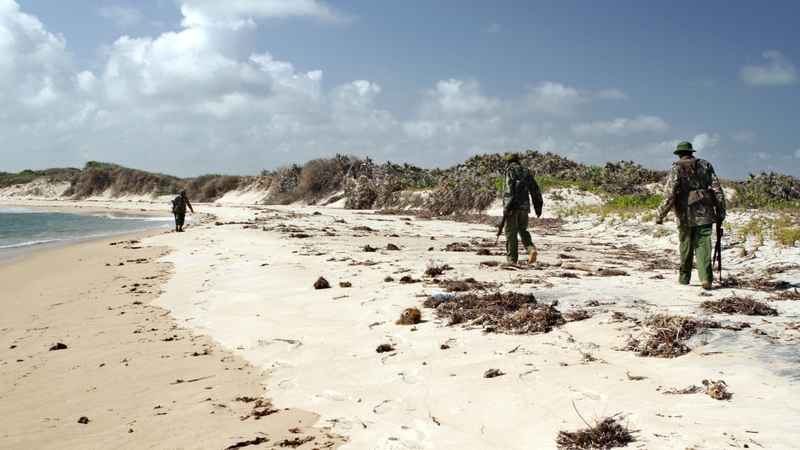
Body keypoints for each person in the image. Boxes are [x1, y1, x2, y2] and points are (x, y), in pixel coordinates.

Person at [655, 141, 726, 290]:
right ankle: (706, 278)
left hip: (685, 213)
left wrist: (661, 214)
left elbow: (670, 193)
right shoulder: (706, 165)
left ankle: (684, 278)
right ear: (691, 152)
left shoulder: (677, 167)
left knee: (686, 246)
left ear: (680, 154)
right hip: (705, 212)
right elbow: (717, 189)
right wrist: (720, 211)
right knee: (704, 246)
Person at [502, 152, 543, 264]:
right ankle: (531, 250)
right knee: (523, 231)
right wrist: (538, 206)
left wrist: (506, 207)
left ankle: (512, 259)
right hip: (525, 207)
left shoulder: (509, 171)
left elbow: (508, 190)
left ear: (508, 162)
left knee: (511, 233)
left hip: (512, 208)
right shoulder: (526, 171)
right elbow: (535, 189)